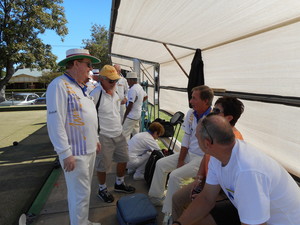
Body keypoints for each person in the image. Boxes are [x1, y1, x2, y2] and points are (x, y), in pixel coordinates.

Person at [173, 115, 300, 225]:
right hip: (254, 211)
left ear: (207, 143)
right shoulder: (218, 157)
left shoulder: (246, 171)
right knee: (198, 221)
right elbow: (206, 198)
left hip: (283, 221)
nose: (195, 139)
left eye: (196, 137)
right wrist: (178, 223)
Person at [46, 48, 101, 225]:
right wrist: (64, 153)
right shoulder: (59, 85)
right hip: (76, 153)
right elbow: (55, 122)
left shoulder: (80, 87)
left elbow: (89, 118)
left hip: (88, 150)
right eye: (88, 64)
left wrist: (96, 140)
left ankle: (82, 221)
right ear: (76, 63)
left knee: (83, 192)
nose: (90, 69)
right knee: (79, 194)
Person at [172, 96, 244, 221]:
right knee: (177, 198)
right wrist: (199, 180)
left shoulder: (234, 142)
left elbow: (228, 181)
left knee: (199, 215)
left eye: (216, 111)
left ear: (228, 118)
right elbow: (206, 157)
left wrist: (204, 191)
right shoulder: (215, 133)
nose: (211, 113)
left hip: (223, 189)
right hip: (207, 181)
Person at [148, 85, 214, 218]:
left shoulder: (213, 119)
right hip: (189, 153)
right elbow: (186, 138)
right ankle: (156, 197)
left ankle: (170, 213)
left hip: (202, 159)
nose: (190, 101)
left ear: (206, 101)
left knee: (175, 176)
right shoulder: (191, 113)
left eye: (194, 98)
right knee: (161, 164)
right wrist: (180, 160)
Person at [90, 65, 135, 204]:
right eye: (111, 81)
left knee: (124, 158)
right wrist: (95, 138)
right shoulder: (95, 94)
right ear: (102, 79)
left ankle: (119, 183)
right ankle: (102, 189)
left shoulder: (115, 92)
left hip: (118, 132)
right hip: (104, 135)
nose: (114, 83)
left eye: (115, 80)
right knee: (103, 165)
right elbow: (90, 117)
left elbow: (116, 109)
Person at [122, 71, 148, 141]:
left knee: (124, 134)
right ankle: (136, 147)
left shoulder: (133, 89)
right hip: (137, 115)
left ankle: (125, 150)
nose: (127, 82)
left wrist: (125, 116)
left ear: (131, 80)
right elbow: (146, 96)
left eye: (128, 81)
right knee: (136, 134)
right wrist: (139, 102)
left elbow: (130, 105)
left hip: (131, 116)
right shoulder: (139, 87)